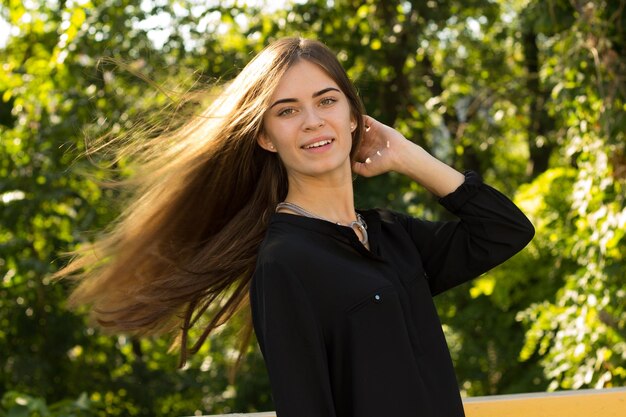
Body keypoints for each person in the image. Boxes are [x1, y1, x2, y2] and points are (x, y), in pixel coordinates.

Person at [57, 37, 534, 416]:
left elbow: (506, 230)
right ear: (265, 136)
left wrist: (412, 158)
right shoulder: (285, 261)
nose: (311, 121)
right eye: (287, 110)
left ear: (353, 118)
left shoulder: (391, 235)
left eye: (327, 101)